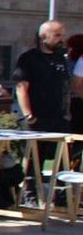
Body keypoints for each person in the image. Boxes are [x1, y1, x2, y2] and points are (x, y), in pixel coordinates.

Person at [13, 20, 71, 206]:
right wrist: (28, 114)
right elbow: (21, 87)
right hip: (36, 117)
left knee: (62, 157)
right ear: (43, 37)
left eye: (62, 34)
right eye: (57, 35)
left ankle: (61, 195)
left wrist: (67, 112)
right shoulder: (29, 58)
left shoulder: (61, 58)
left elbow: (65, 87)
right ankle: (29, 195)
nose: (61, 39)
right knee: (32, 158)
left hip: (57, 117)